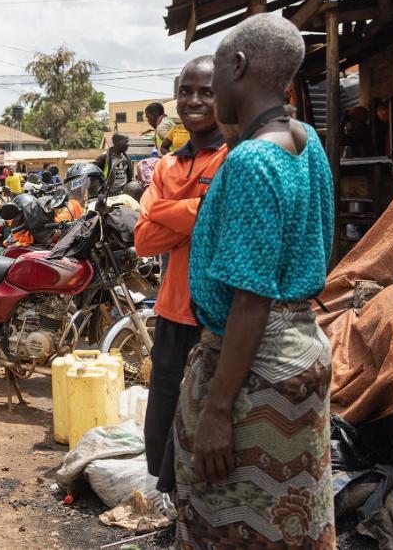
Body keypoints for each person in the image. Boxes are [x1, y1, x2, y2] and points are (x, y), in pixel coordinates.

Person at [177, 13, 334, 547]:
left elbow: (251, 299)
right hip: (301, 347)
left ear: (238, 66)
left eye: (217, 69)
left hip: (253, 370)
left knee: (236, 521)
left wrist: (218, 410)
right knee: (294, 517)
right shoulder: (305, 139)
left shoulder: (250, 162)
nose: (212, 85)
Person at [134, 55, 229, 495]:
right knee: (165, 418)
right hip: (172, 312)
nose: (194, 100)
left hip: (217, 318)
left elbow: (221, 218)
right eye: (186, 91)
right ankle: (176, 512)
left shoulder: (236, 156)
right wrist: (195, 213)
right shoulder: (169, 165)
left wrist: (169, 214)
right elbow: (143, 239)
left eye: (206, 91)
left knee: (211, 422)